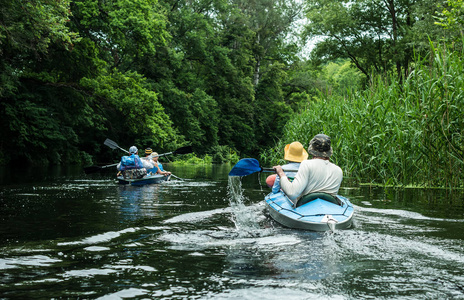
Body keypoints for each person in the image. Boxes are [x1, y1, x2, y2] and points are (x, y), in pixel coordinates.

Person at [273, 134, 343, 205]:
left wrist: (281, 173)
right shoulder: (338, 170)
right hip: (331, 206)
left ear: (312, 149)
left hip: (307, 205)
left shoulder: (306, 164)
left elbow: (292, 193)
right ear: (329, 151)